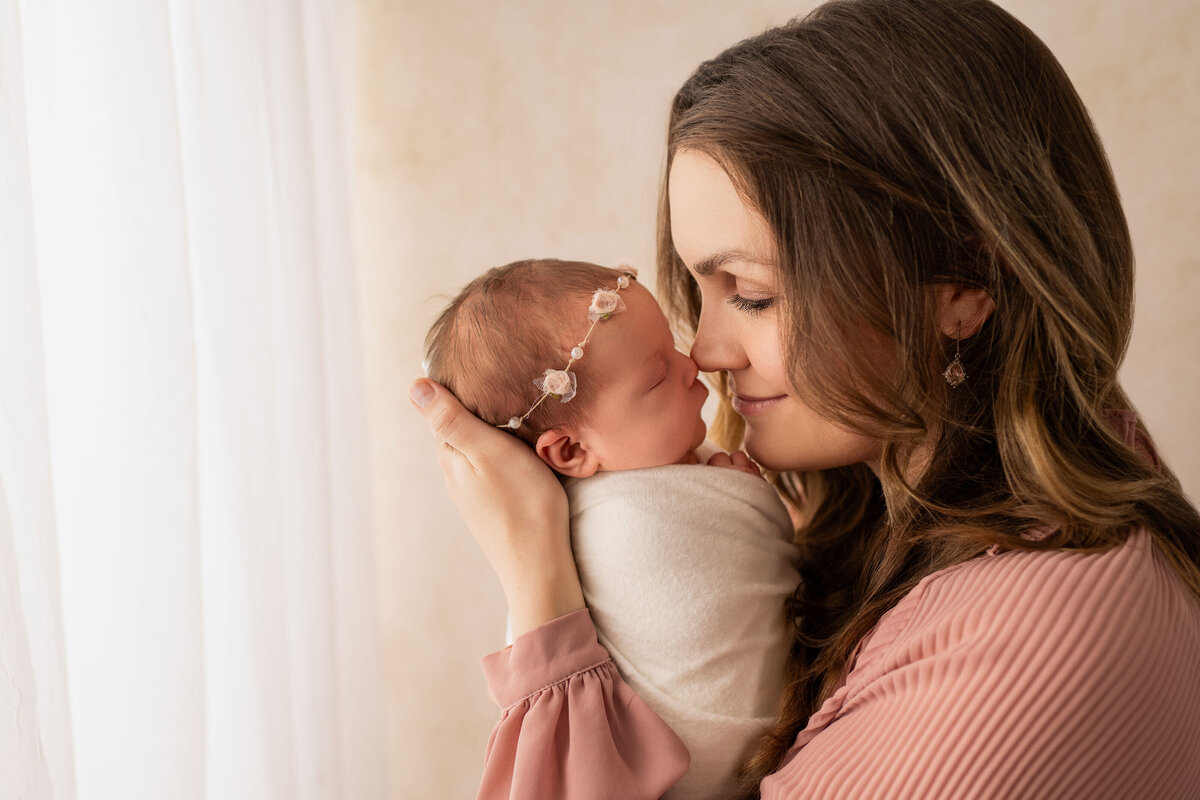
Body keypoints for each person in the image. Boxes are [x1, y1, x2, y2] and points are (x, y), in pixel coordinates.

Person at [410, 0, 1200, 797]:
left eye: (750, 294)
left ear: (965, 284)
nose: (707, 352)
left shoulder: (1030, 638)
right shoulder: (887, 511)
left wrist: (537, 578)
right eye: (698, 288)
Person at [423, 259, 801, 798]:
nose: (691, 363)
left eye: (671, 346)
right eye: (656, 376)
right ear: (572, 450)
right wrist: (745, 499)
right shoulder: (615, 525)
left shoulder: (678, 463)